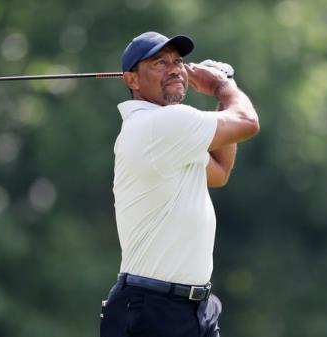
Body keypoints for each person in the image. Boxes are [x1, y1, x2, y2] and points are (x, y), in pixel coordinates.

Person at [100, 31, 259, 337]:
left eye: (178, 61)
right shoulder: (160, 125)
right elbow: (248, 123)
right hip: (153, 310)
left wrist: (220, 94)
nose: (175, 68)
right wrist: (221, 85)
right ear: (131, 80)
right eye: (160, 62)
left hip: (193, 309)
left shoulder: (172, 133)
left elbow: (221, 170)